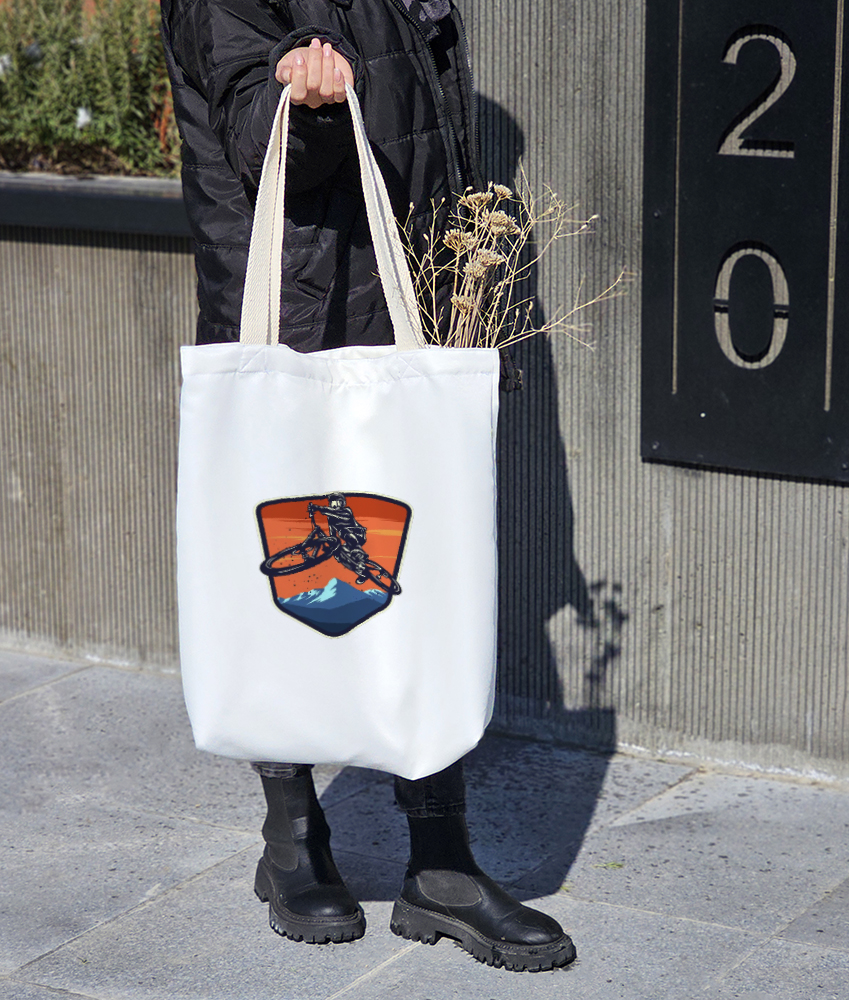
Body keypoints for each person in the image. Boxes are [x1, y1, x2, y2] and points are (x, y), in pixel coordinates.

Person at [159, 0, 575, 973]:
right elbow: (254, 133)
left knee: (418, 577)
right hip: (298, 303)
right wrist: (301, 105)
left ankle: (442, 860)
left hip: (399, 300)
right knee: (293, 581)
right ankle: (293, 837)